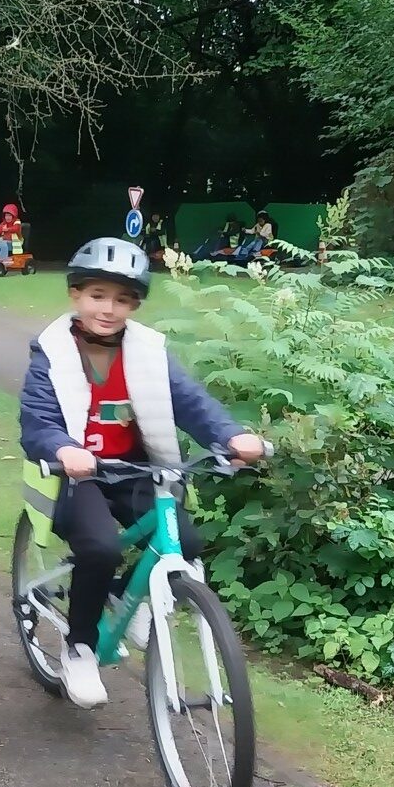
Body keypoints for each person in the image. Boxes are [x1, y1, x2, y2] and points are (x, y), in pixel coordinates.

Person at [19, 236, 265, 708]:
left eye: (122, 299)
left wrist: (230, 436)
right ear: (75, 294)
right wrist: (63, 448)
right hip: (78, 474)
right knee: (100, 548)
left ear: (135, 305)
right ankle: (80, 647)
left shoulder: (148, 351)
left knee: (185, 542)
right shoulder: (51, 351)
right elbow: (38, 419)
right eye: (97, 295)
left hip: (133, 468)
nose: (108, 309)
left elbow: (189, 401)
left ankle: (123, 594)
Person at [0, 202, 22, 266]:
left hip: (14, 244)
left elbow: (16, 228)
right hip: (3, 243)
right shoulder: (3, 224)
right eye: (6, 215)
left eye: (9, 215)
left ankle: (2, 260)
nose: (7, 217)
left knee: (3, 244)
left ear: (14, 216)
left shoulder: (17, 222)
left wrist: (8, 229)